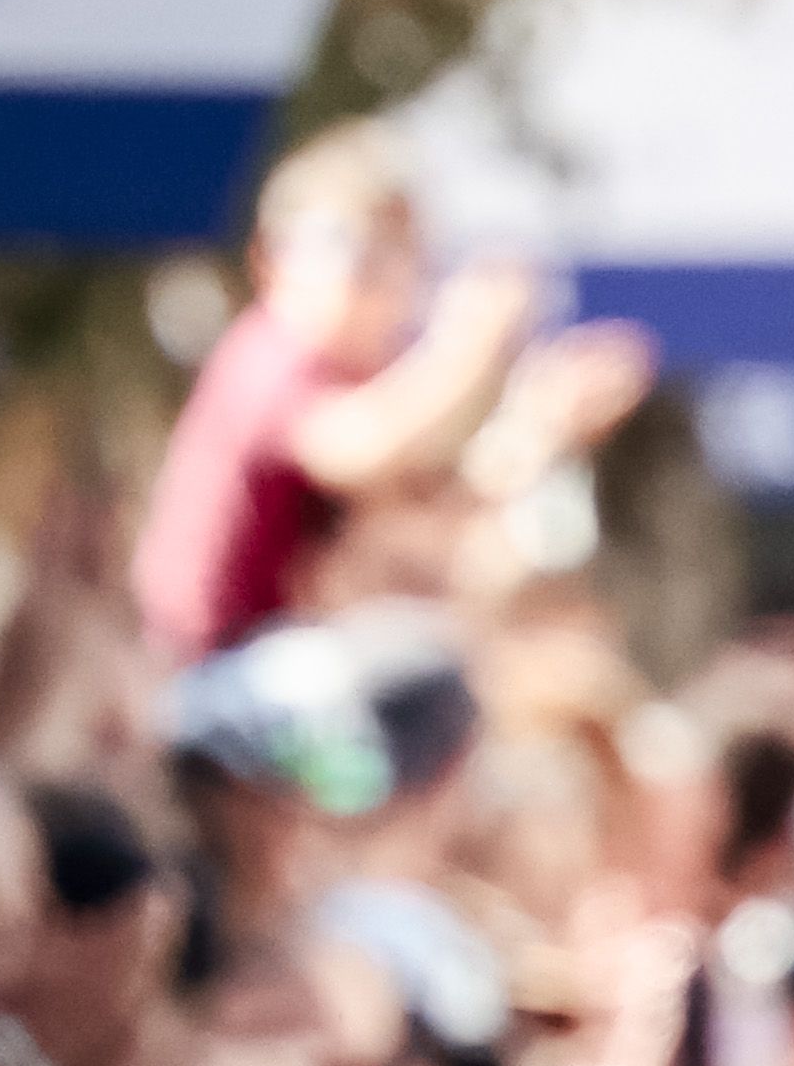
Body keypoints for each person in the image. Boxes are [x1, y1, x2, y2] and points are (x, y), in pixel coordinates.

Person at [130, 127, 656, 665]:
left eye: (402, 256)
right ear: (271, 260)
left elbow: (440, 520)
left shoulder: (367, 376)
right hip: (216, 670)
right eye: (356, 251)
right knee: (425, 679)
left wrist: (540, 421)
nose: (386, 281)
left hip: (285, 659)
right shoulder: (267, 351)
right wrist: (468, 348)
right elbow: (353, 449)